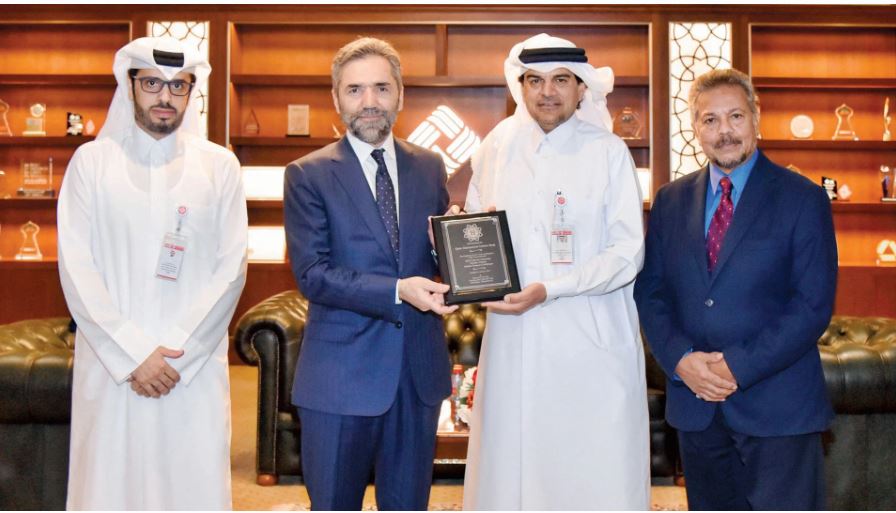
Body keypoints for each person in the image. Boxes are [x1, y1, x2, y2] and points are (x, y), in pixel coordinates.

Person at [634, 68, 838, 510]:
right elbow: (651, 291)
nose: (724, 131)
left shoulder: (803, 198)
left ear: (756, 118)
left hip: (778, 409)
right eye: (710, 120)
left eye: (735, 116)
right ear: (695, 128)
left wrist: (736, 366)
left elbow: (812, 305)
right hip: (696, 408)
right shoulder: (670, 200)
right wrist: (681, 360)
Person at [57, 37, 247, 510]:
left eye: (179, 85)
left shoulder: (220, 166)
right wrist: (133, 353)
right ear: (130, 86)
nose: (165, 96)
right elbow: (76, 267)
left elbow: (231, 269)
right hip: (113, 369)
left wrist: (177, 354)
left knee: (191, 485)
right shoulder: (91, 163)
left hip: (190, 370)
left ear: (190, 92)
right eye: (153, 83)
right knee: (109, 487)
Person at [462, 33, 650, 510]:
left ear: (581, 87)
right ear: (520, 86)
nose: (547, 92)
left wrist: (552, 289)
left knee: (590, 469)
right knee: (511, 470)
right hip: (513, 339)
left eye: (560, 80)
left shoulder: (609, 152)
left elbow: (628, 252)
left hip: (590, 340)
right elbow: (475, 226)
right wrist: (454, 244)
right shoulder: (497, 146)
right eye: (535, 80)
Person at [283, 37, 457, 511]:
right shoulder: (307, 174)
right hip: (340, 377)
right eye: (355, 90)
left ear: (400, 94)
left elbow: (434, 261)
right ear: (336, 98)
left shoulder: (429, 166)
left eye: (381, 88)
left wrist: (454, 253)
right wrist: (398, 290)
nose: (370, 101)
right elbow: (314, 274)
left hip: (417, 376)